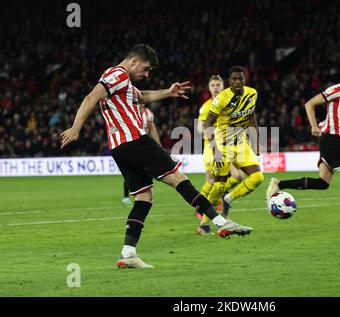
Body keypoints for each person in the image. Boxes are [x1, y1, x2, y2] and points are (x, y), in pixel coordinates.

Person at [60, 44, 253, 269]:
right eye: (146, 68)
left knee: (144, 197)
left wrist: (168, 92)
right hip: (134, 140)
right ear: (133, 61)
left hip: (119, 148)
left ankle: (128, 253)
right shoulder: (118, 74)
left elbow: (143, 97)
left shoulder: (125, 83)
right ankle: (221, 222)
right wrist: (76, 127)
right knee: (178, 179)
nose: (147, 73)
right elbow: (91, 96)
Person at [267, 60, 340, 226]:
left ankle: (279, 184)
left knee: (323, 183)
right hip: (330, 136)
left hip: (335, 139)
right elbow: (309, 104)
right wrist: (314, 125)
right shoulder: (336, 90)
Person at [203, 66, 264, 219]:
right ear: (229, 81)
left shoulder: (252, 93)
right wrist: (215, 150)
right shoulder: (221, 99)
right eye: (234, 79)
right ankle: (204, 223)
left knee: (257, 178)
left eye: (240, 79)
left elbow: (251, 117)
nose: (238, 82)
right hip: (222, 146)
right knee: (218, 186)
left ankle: (229, 198)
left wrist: (255, 141)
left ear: (245, 80)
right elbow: (207, 124)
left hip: (241, 143)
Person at [196, 75, 244, 235]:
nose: (216, 87)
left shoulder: (231, 103)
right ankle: (205, 213)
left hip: (229, 146)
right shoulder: (206, 106)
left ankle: (219, 200)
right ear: (209, 88)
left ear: (223, 86)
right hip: (212, 147)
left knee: (238, 176)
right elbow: (199, 129)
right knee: (212, 180)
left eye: (218, 84)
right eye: (213, 85)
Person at [122, 105, 160, 206]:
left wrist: (158, 146)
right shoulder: (130, 112)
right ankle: (126, 196)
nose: (141, 105)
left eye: (143, 103)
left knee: (146, 171)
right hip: (131, 146)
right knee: (130, 173)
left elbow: (153, 130)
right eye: (139, 103)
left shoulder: (148, 114)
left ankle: (146, 195)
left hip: (145, 146)